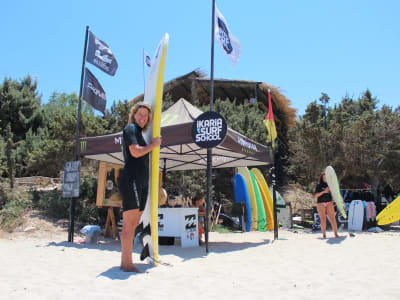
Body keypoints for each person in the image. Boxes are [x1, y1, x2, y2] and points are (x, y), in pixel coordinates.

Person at [118, 102, 161, 272]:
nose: (143, 118)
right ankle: (127, 263)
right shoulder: (131, 129)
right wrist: (153, 145)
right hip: (131, 180)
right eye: (140, 114)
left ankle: (125, 262)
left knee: (134, 222)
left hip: (141, 182)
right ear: (134, 115)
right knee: (129, 224)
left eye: (146, 115)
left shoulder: (140, 133)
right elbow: (135, 152)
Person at [314, 171, 339, 239]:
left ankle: (335, 234)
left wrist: (340, 202)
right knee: (323, 219)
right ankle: (324, 234)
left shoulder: (331, 185)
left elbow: (336, 193)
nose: (325, 178)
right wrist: (324, 191)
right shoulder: (319, 185)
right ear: (321, 178)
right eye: (324, 177)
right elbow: (316, 196)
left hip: (329, 202)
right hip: (320, 203)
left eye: (326, 177)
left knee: (332, 218)